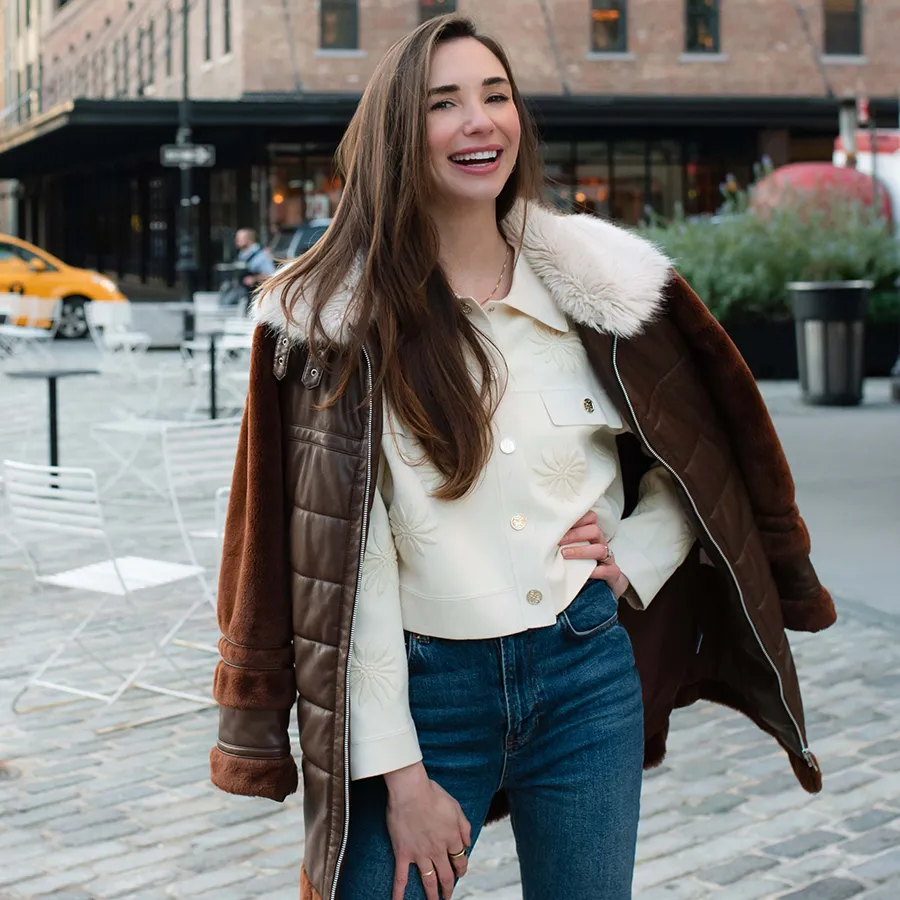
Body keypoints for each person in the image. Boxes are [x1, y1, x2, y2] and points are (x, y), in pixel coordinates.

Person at [209, 15, 835, 900]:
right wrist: (402, 778)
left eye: (496, 97)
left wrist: (636, 557)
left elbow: (695, 461)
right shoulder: (336, 322)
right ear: (397, 133)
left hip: (583, 676)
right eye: (445, 104)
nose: (480, 122)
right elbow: (354, 566)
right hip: (421, 693)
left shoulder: (601, 286)